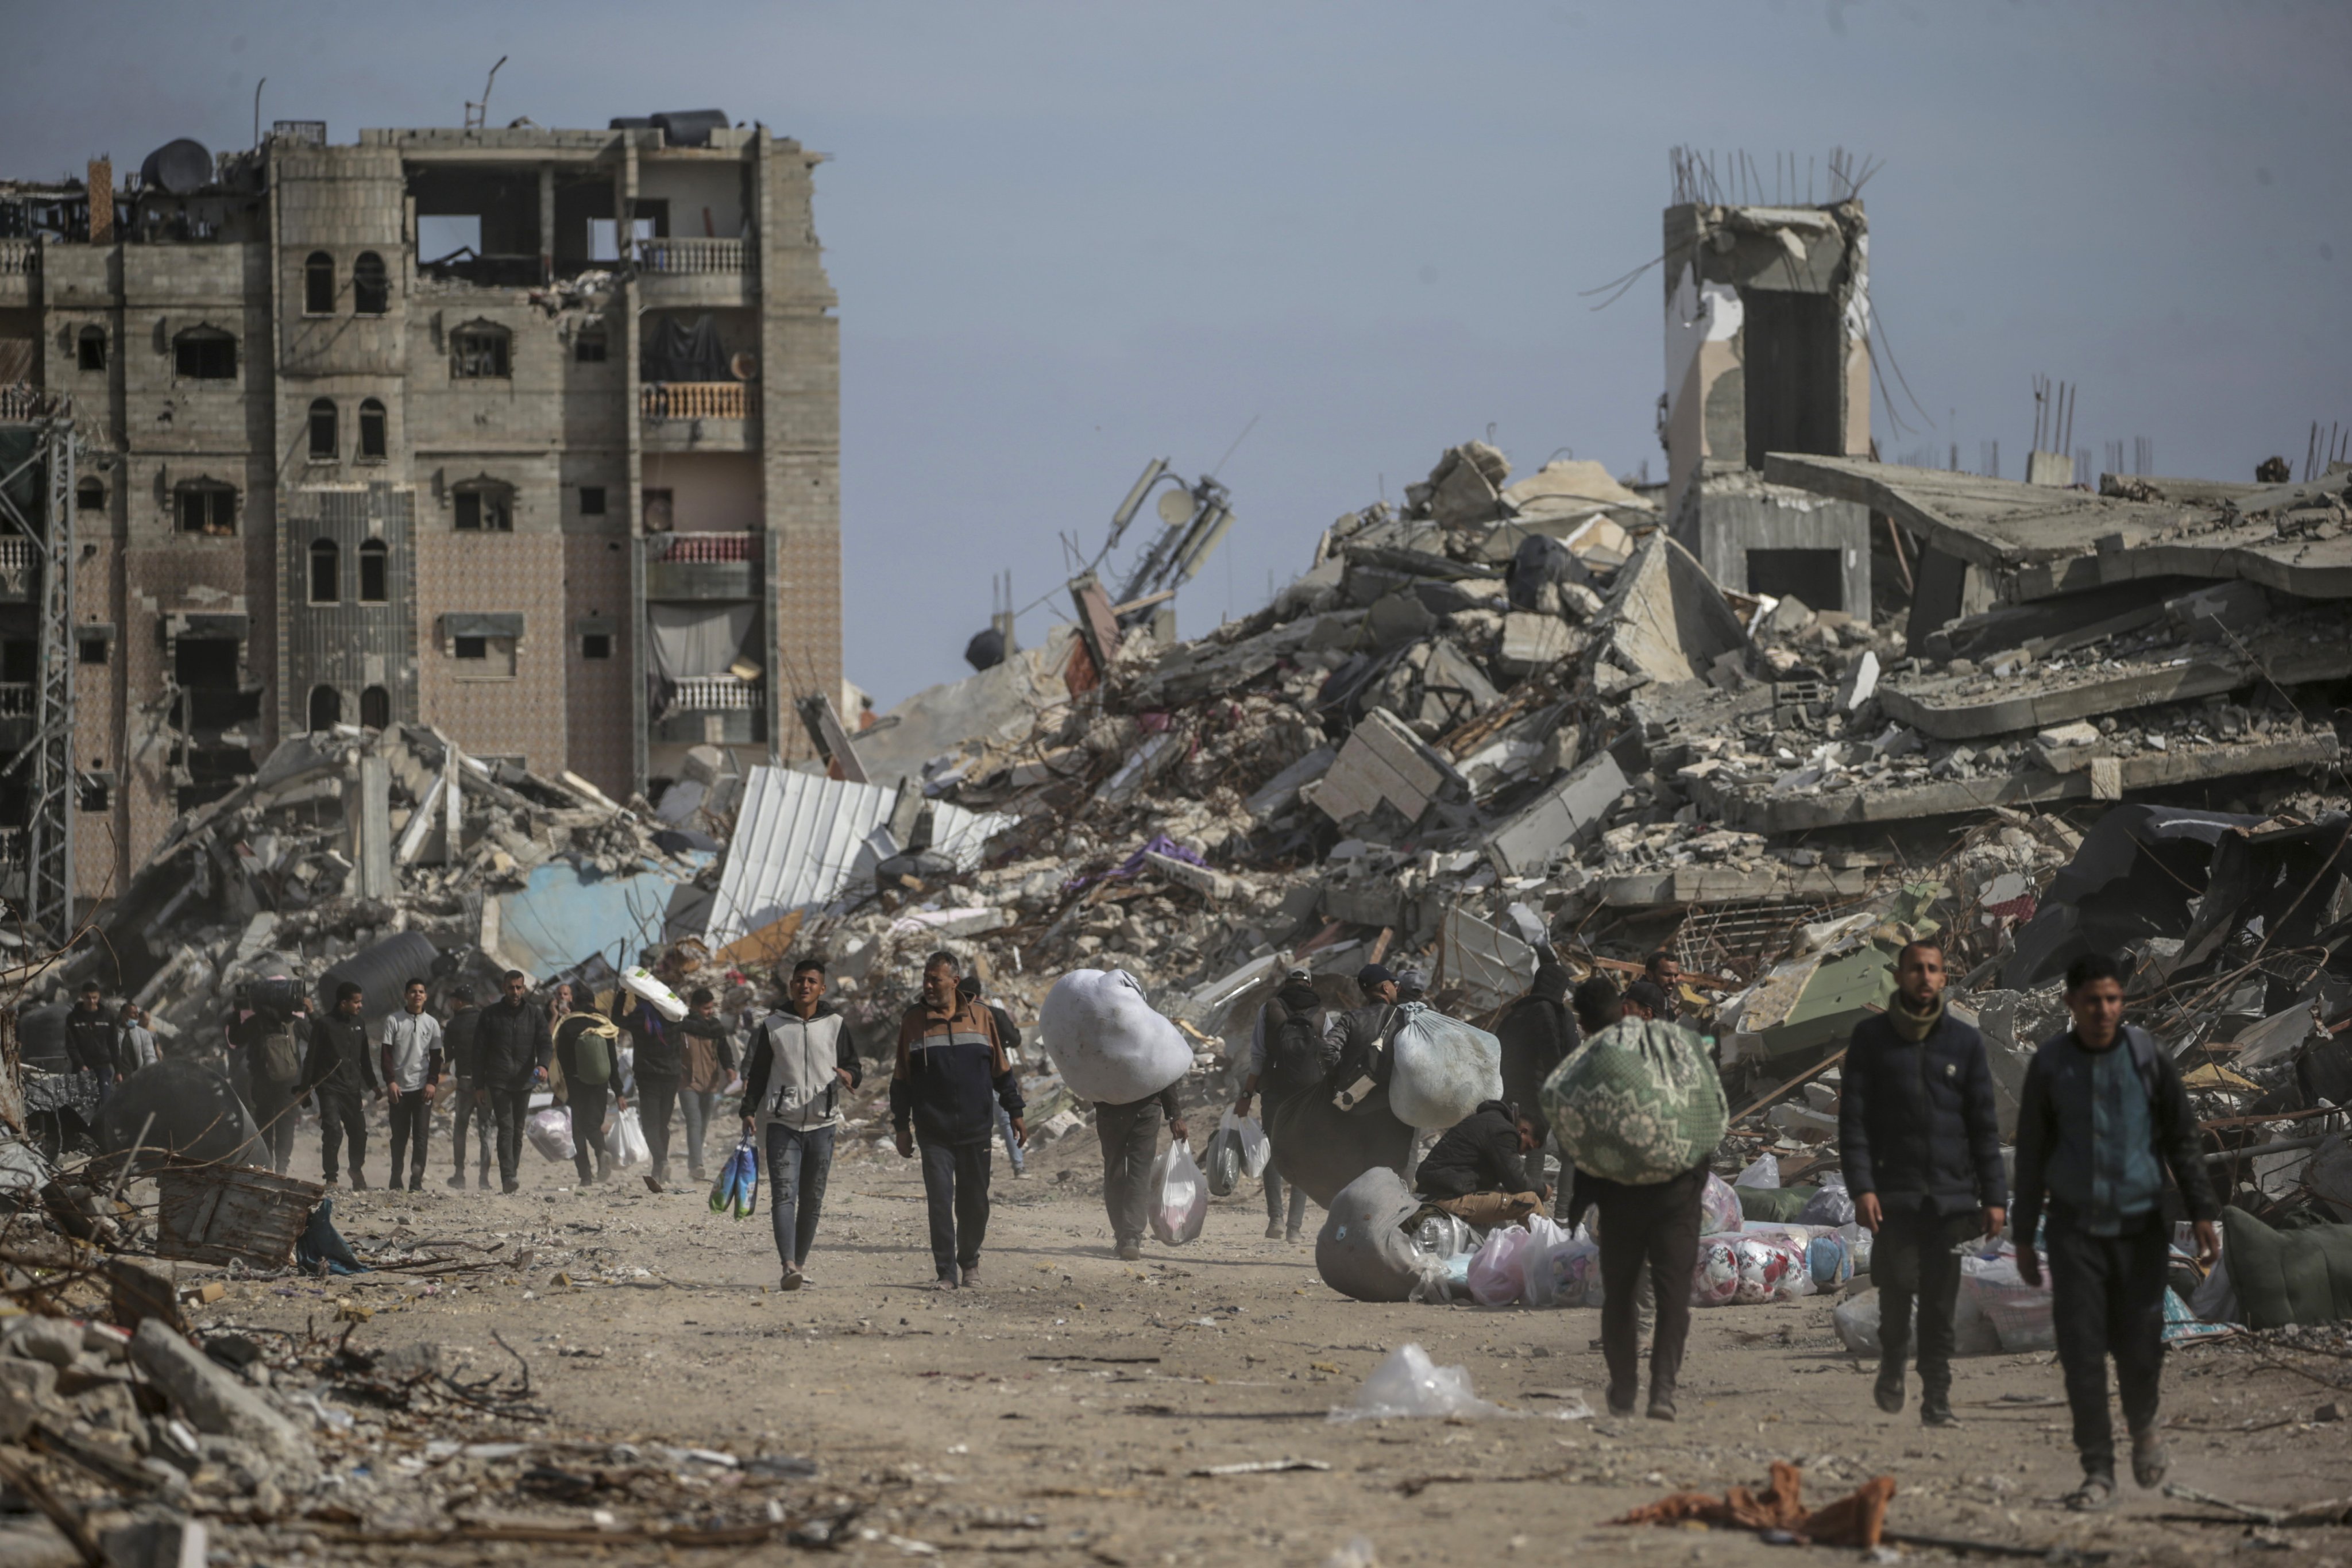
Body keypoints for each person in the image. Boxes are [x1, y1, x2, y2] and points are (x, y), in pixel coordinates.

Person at [2013, 952, 2220, 1513]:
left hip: (2140, 1228)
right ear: (2070, 1005)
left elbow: (2182, 1138)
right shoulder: (2052, 1065)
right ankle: (2097, 1471)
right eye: (2092, 1001)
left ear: (2121, 1002)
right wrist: (2023, 1236)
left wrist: (2202, 1210)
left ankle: (2145, 1426)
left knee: (2140, 1345)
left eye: (2112, 1000)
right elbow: (2031, 1155)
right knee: (2081, 1353)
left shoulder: (2149, 1058)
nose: (2104, 1010)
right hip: (2074, 1229)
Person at [1839, 940, 2006, 1426]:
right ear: (1899, 975)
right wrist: (1862, 1188)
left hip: (1952, 1200)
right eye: (1916, 969)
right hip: (1893, 1196)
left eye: (1933, 970)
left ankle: (1937, 1397)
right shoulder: (1871, 1040)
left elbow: (1983, 1127)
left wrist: (1993, 1197)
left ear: (1943, 977)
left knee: (1937, 1304)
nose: (1925, 978)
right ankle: (1892, 1362)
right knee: (1895, 1293)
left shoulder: (1963, 1042)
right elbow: (1853, 1125)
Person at [1559, 974, 1723, 1422]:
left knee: (1668, 1297)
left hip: (1670, 1197)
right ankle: (1628, 1385)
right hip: (1629, 1198)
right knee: (1623, 1296)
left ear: (1645, 1014)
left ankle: (1661, 1389)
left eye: (1627, 1005)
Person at [889, 951, 1024, 1289]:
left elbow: (1002, 1072)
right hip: (933, 1132)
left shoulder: (982, 1017)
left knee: (975, 1202)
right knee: (939, 1201)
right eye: (926, 978)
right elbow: (901, 1080)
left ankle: (970, 1262)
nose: (929, 985)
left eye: (936, 979)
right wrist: (902, 1127)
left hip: (976, 1130)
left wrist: (1016, 1112)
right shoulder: (913, 1022)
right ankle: (946, 1272)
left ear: (955, 982)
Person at [740, 959, 861, 1290]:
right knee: (783, 1195)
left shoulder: (836, 1024)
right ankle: (788, 1265)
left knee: (812, 1199)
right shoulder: (773, 1026)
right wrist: (748, 1110)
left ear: (822, 988)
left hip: (823, 1123)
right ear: (790, 986)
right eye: (798, 981)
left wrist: (850, 1076)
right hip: (783, 1122)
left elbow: (854, 1065)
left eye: (811, 981)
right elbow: (760, 1072)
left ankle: (800, 1264)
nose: (804, 986)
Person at [1234, 967, 1323, 1241]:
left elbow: (1258, 1055)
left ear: (1287, 984)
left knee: (1273, 1151)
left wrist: (1247, 1096)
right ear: (1309, 983)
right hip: (1309, 1094)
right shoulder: (1321, 1012)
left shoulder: (1269, 1008)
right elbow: (1332, 1053)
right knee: (1304, 1157)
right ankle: (1295, 1229)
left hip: (1275, 1092)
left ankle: (1276, 1220)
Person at [1407, 1100, 1550, 1230]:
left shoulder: (1489, 1121)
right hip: (1446, 1199)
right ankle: (1547, 1255)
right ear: (1523, 1132)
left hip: (1438, 1192)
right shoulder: (1503, 1131)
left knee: (1501, 1224)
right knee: (1530, 1202)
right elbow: (1517, 1182)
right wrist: (1543, 1190)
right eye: (1528, 1147)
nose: (1523, 1153)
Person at [1496, 962, 1579, 1183]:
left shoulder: (1513, 1014)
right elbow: (1554, 1052)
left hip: (1509, 1094)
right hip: (1539, 1097)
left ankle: (1508, 1199)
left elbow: (1497, 1052)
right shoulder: (1552, 1013)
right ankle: (1531, 1206)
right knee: (1536, 1153)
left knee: (1509, 1149)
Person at [1095, 1076, 1188, 1262]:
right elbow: (1163, 1068)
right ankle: (1131, 1237)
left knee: (1115, 1169)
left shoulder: (1101, 1044)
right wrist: (1174, 1115)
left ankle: (1123, 1235)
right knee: (1140, 1171)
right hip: (1146, 1106)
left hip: (1110, 1106)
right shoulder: (1150, 1044)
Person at [475, 970, 551, 1195]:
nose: (515, 992)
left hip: (525, 1081)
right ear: (504, 988)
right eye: (511, 988)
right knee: (506, 1127)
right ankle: (507, 1175)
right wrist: (479, 1085)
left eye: (519, 988)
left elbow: (545, 1043)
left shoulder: (534, 1015)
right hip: (498, 1081)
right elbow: (478, 1052)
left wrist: (543, 1065)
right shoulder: (490, 1015)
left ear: (524, 988)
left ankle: (512, 1174)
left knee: (518, 1130)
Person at [302, 981, 380, 1189]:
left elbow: (364, 1058)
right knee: (333, 1131)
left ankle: (355, 1169)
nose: (360, 1006)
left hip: (352, 1089)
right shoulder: (324, 1025)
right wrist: (304, 1089)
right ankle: (331, 1178)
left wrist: (373, 1084)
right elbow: (311, 1058)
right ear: (343, 1003)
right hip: (329, 1088)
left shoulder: (359, 1024)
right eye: (356, 1002)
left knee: (359, 1132)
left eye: (360, 1002)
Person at [616, 961, 683, 1191]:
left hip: (649, 1077)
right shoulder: (674, 1017)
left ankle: (662, 1161)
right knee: (662, 1124)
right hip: (672, 1075)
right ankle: (659, 1165)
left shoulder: (640, 1018)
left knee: (650, 1125)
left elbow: (617, 1019)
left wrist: (621, 994)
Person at [232, 984, 306, 1175]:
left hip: (262, 1079)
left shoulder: (255, 1022)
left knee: (264, 1120)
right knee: (286, 1123)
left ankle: (267, 1166)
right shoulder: (293, 1022)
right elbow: (317, 1036)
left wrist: (236, 1013)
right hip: (290, 1080)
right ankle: (282, 1167)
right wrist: (312, 1012)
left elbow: (234, 1039)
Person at [957, 976, 1027, 1177]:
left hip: (971, 1075)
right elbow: (1015, 1039)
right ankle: (1019, 1166)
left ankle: (984, 1166)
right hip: (997, 1071)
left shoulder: (959, 1016)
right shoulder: (994, 1013)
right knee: (1005, 1120)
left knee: (978, 1120)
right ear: (979, 994)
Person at [380, 978, 444, 1194]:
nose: (418, 995)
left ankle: (416, 1180)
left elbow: (436, 1058)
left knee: (421, 1136)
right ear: (406, 995)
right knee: (399, 1136)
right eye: (414, 991)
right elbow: (386, 1055)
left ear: (426, 996)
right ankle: (396, 1176)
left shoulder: (432, 1024)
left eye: (421, 992)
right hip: (399, 1089)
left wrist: (432, 1083)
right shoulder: (394, 1021)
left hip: (422, 1088)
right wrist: (390, 1082)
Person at [554, 1000, 624, 1187]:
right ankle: (602, 1152)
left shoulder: (567, 1025)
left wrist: (559, 1088)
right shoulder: (603, 1026)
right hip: (599, 1083)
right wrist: (619, 1092)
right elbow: (613, 1063)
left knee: (577, 1129)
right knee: (593, 1124)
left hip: (574, 1083)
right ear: (593, 1003)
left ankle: (585, 1176)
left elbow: (560, 1059)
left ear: (573, 1003)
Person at [677, 988, 738, 1183]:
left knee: (703, 1125)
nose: (710, 1012)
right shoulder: (682, 1025)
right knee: (694, 1122)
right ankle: (697, 1165)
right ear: (694, 1007)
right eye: (706, 1008)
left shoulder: (715, 1027)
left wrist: (729, 1068)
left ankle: (696, 1165)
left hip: (711, 1083)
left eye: (711, 1008)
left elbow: (724, 1050)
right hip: (688, 1082)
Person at [1323, 964, 1403, 1106]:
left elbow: (1327, 1047)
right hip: (1389, 1105)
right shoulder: (1403, 1019)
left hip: (1352, 1101)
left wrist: (1342, 1071)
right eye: (1393, 984)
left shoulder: (1352, 1017)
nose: (1396, 988)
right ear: (1385, 988)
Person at [443, 984, 491, 1189]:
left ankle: (460, 1175)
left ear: (459, 1002)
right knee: (485, 1130)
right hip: (486, 1083)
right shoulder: (486, 1020)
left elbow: (449, 1057)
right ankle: (484, 1179)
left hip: (464, 1082)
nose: (450, 1004)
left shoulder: (453, 1024)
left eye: (452, 1001)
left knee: (460, 1128)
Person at [65, 983, 118, 1106]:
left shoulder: (107, 1016)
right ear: (82, 996)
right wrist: (81, 1065)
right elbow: (71, 1045)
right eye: (88, 998)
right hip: (82, 1068)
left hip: (103, 1067)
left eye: (95, 998)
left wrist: (118, 1069)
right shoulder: (73, 1018)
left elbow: (114, 1043)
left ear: (99, 997)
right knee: (82, 1105)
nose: (92, 1001)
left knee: (105, 1103)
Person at [116, 1002, 159, 1075]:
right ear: (124, 1015)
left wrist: (147, 1071)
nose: (137, 1016)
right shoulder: (115, 1034)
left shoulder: (144, 1034)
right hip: (122, 1078)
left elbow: (149, 1055)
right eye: (133, 1013)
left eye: (137, 1013)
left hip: (139, 1077)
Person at [1643, 951, 1683, 1022]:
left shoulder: (1669, 1012)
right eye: (1667, 975)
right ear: (1650, 975)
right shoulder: (1634, 1006)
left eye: (1675, 976)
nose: (1673, 981)